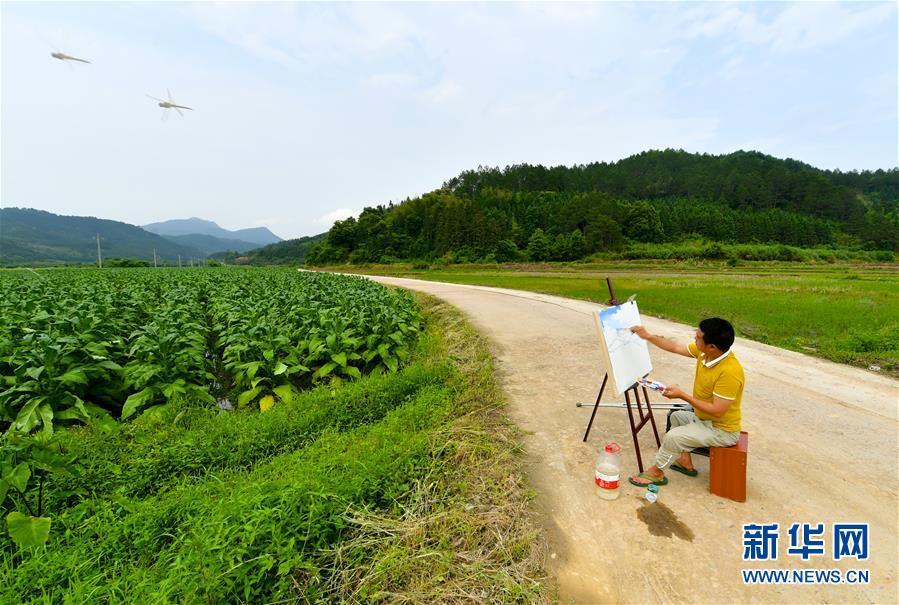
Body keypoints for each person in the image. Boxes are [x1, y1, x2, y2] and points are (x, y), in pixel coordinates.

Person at [626, 317, 744, 486]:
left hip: (722, 430)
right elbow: (674, 347)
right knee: (676, 417)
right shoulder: (705, 353)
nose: (695, 339)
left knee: (673, 437)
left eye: (698, 337)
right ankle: (684, 461)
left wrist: (682, 395)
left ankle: (657, 473)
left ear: (712, 346)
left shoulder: (730, 372)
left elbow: (717, 411)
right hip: (704, 419)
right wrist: (648, 336)